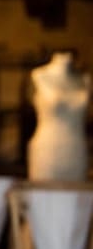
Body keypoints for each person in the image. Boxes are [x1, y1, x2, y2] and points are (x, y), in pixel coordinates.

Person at [28, 51, 90, 182]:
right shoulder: (39, 76)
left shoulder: (85, 80)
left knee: (76, 197)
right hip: (47, 148)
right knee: (43, 195)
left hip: (76, 148)